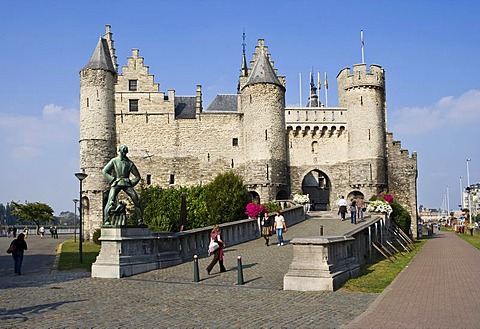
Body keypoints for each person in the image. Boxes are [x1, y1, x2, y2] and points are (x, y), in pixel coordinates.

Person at [102, 144, 143, 225]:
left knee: (135, 199)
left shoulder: (130, 163)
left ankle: (140, 220)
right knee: (110, 200)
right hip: (117, 182)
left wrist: (131, 183)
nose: (123, 153)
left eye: (125, 152)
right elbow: (104, 171)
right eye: (122, 152)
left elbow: (138, 177)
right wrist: (112, 180)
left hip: (126, 184)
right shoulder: (114, 161)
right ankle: (106, 220)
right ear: (119, 151)